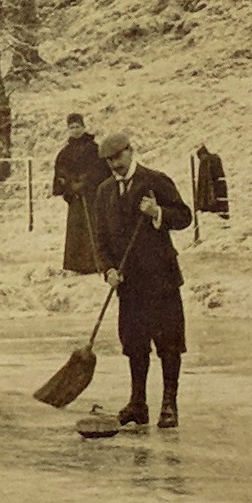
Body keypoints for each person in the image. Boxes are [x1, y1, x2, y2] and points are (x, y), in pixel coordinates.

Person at [88, 129, 194, 428]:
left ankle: (169, 405)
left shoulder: (155, 181)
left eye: (118, 157)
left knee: (169, 343)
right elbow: (100, 238)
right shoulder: (105, 191)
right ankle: (138, 404)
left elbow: (184, 216)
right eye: (108, 160)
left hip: (161, 279)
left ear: (130, 151)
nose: (114, 164)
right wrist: (108, 269)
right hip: (128, 283)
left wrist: (157, 212)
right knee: (134, 344)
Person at [50, 114, 107, 274]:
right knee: (76, 228)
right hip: (75, 197)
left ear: (84, 127)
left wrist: (86, 183)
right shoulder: (65, 153)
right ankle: (77, 265)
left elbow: (101, 171)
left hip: (92, 196)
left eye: (77, 127)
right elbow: (60, 172)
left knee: (94, 227)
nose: (75, 130)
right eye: (72, 127)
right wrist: (69, 184)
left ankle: (97, 262)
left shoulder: (94, 149)